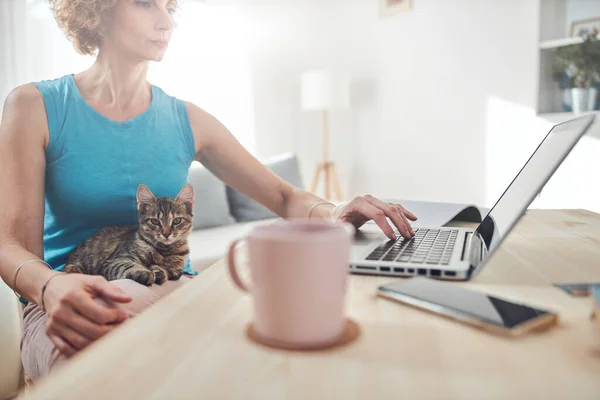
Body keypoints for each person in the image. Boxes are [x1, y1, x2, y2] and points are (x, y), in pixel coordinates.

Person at [0, 0, 417, 381]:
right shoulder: (34, 105)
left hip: (170, 289)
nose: (166, 21)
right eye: (146, 4)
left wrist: (336, 208)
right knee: (118, 364)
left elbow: (284, 196)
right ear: (98, 9)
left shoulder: (188, 119)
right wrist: (49, 287)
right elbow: (11, 243)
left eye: (170, 7)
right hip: (63, 303)